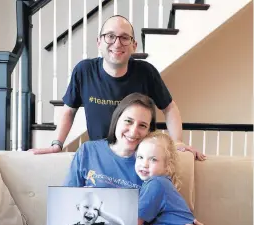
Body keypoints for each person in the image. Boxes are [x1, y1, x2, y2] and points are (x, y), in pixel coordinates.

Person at [33, 93, 208, 225]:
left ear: (149, 130)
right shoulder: (89, 150)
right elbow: (67, 201)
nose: (133, 131)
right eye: (128, 121)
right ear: (116, 120)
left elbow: (172, 209)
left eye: (142, 125)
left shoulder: (151, 165)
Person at [30, 15, 206, 161]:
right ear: (99, 42)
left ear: (134, 45)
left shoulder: (146, 72)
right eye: (110, 36)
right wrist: (57, 144)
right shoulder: (84, 71)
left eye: (124, 37)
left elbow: (170, 107)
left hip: (140, 157)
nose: (117, 43)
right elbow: (68, 111)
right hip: (102, 158)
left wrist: (178, 143)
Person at [123, 131, 199, 225]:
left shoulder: (156, 184)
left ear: (167, 166)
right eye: (140, 157)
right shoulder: (161, 183)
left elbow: (135, 223)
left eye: (153, 159)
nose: (144, 164)